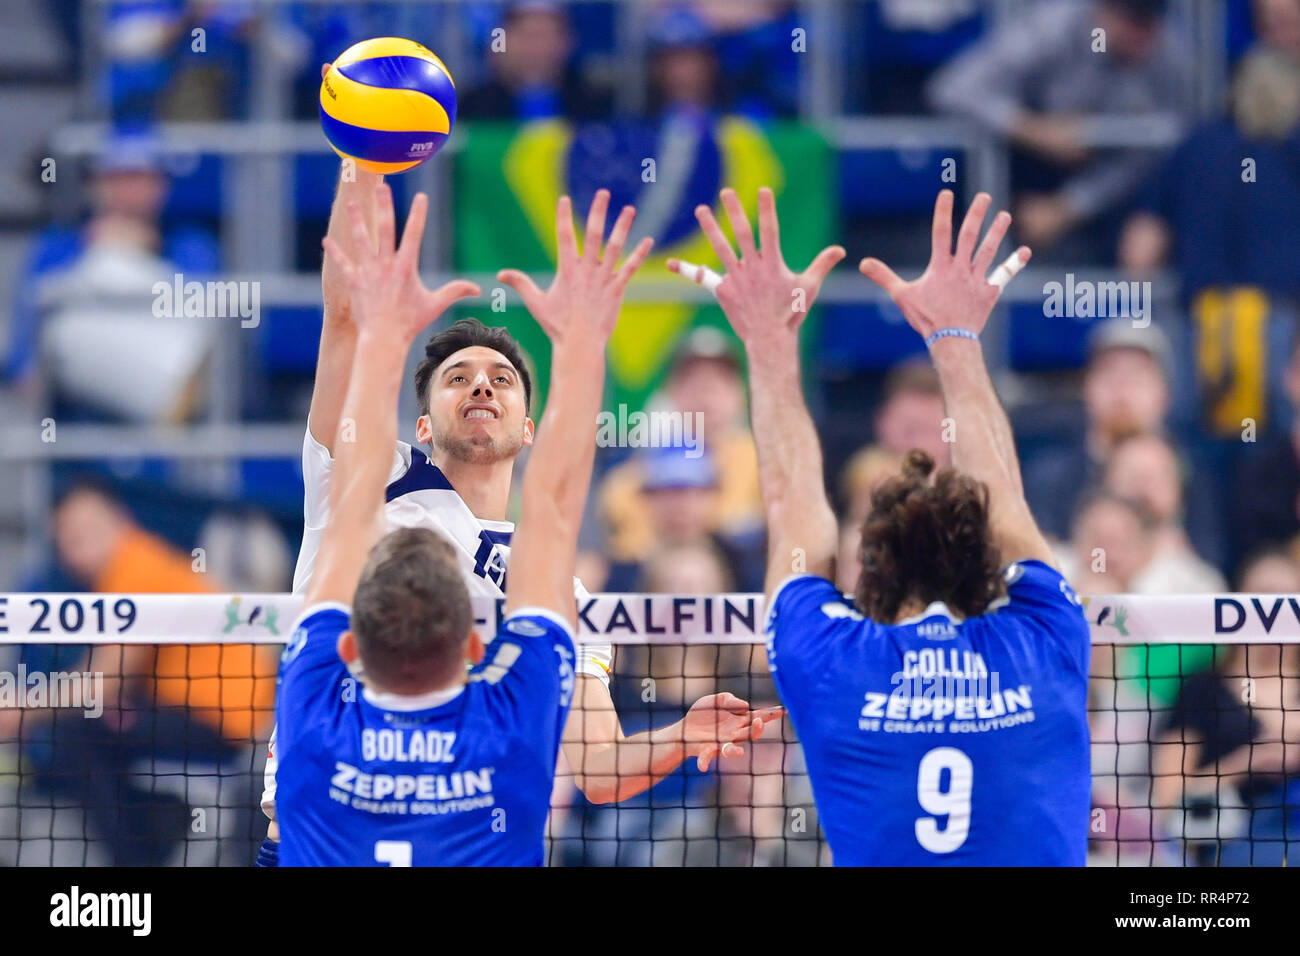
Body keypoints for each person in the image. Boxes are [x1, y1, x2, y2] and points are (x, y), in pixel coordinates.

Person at [261, 172, 778, 862]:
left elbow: (598, 768)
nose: (481, 384)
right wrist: (358, 159)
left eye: (501, 379)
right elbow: (344, 325)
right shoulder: (366, 483)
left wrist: (681, 734)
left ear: (529, 428)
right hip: (323, 840)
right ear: (421, 424)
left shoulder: (556, 582)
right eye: (458, 378)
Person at [680, 186, 1090, 864]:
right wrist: (955, 338)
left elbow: (791, 511)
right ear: (986, 567)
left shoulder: (836, 664)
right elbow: (1009, 507)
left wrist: (768, 339)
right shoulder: (1044, 639)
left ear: (866, 575)